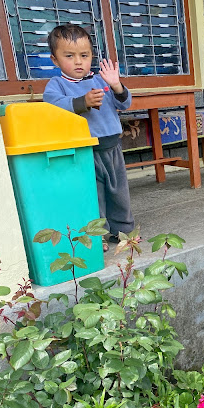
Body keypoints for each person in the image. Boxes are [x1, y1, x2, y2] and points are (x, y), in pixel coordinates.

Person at [43, 24, 134, 251]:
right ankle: (98, 235)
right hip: (85, 151)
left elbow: (125, 103)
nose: (78, 62)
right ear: (55, 60)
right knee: (94, 195)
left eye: (84, 55)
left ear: (91, 56)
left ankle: (123, 231)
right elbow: (53, 106)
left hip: (112, 147)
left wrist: (116, 86)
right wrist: (82, 102)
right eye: (69, 56)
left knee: (119, 192)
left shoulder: (101, 80)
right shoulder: (57, 85)